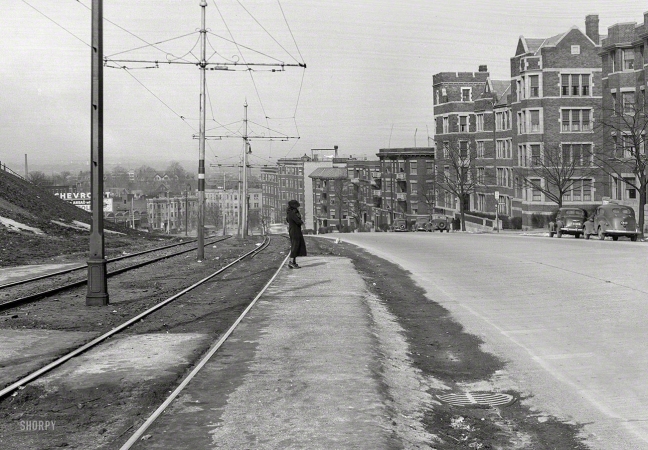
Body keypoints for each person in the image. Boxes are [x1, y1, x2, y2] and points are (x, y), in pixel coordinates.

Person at [286, 199, 307, 268]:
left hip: (294, 230)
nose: (298, 208)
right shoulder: (292, 213)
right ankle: (291, 262)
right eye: (297, 207)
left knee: (295, 245)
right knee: (295, 246)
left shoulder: (289, 213)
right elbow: (298, 221)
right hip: (295, 231)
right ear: (294, 207)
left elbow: (288, 220)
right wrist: (301, 221)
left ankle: (293, 262)